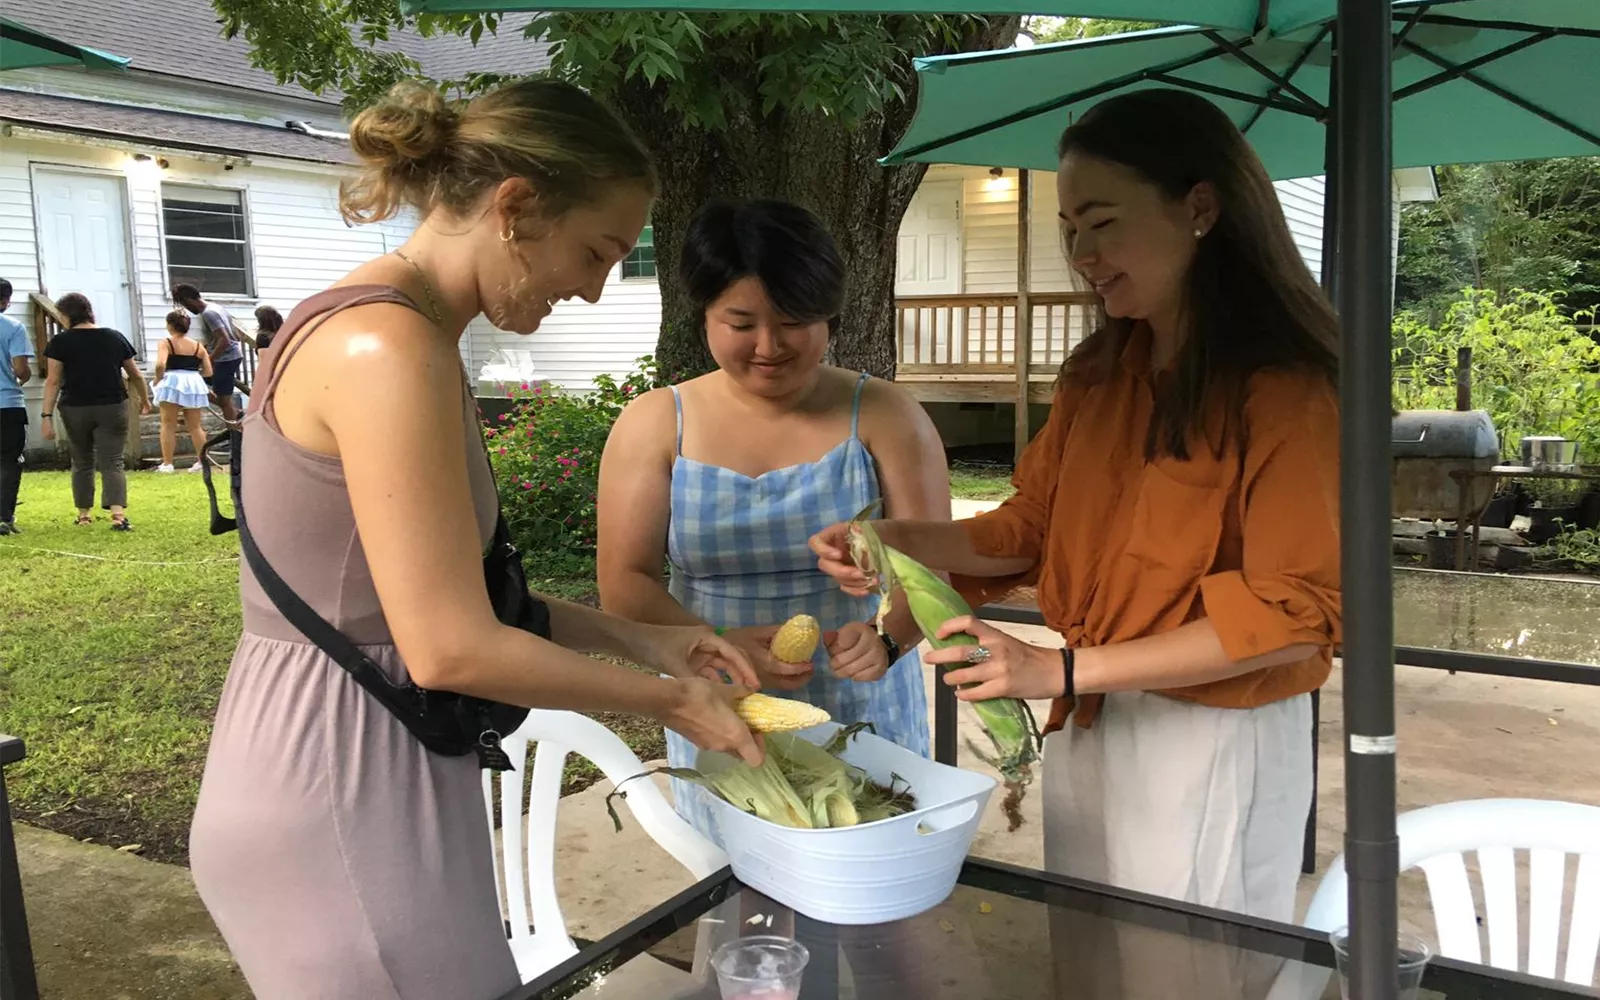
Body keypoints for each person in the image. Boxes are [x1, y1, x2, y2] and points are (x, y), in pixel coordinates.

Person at [187, 78, 763, 1000]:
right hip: (340, 783)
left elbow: (462, 600)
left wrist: (646, 639)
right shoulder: (386, 349)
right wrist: (673, 703)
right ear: (516, 207)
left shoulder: (397, 331)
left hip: (361, 758)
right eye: (596, 251)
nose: (592, 287)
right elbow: (450, 646)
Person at [810, 88, 1340, 977]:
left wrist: (1058, 668)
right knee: (1089, 966)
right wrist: (885, 537)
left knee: (1185, 977)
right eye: (1069, 229)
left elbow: (1292, 612)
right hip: (1094, 715)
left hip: (1211, 734)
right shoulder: (1102, 373)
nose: (1082, 255)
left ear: (1200, 208)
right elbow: (1025, 533)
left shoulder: (1289, 391)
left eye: (1101, 223)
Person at [597, 196, 949, 840]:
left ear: (829, 315)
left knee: (875, 886)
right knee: (743, 898)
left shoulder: (887, 415)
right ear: (702, 314)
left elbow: (934, 562)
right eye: (741, 322)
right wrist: (720, 642)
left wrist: (892, 636)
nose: (769, 346)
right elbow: (626, 581)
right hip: (722, 693)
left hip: (861, 686)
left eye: (793, 321)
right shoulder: (654, 424)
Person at [40, 293, 151, 531]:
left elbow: (53, 381)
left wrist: (46, 415)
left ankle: (83, 515)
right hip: (112, 405)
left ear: (68, 315)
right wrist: (144, 398)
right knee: (112, 461)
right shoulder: (114, 337)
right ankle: (118, 514)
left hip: (74, 407)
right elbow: (135, 374)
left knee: (81, 461)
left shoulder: (60, 342)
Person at [150, 309, 214, 473]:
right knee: (195, 426)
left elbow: (160, 364)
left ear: (170, 325)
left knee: (168, 424)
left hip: (172, 381)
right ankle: (201, 462)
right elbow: (208, 371)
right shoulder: (198, 346)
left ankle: (167, 464)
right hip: (193, 381)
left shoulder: (165, 342)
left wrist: (158, 379)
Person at [172, 282, 242, 422]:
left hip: (225, 360)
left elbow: (224, 340)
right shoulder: (214, 307)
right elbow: (227, 335)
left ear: (189, 299)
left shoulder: (209, 313)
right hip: (226, 358)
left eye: (184, 304)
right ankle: (237, 414)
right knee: (195, 385)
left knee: (223, 401)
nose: (187, 308)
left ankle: (235, 435)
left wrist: (208, 360)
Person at [0, 278, 32, 535]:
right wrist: (23, 377)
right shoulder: (13, 327)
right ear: (5, 300)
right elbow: (21, 368)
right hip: (7, 404)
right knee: (9, 460)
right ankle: (4, 516)